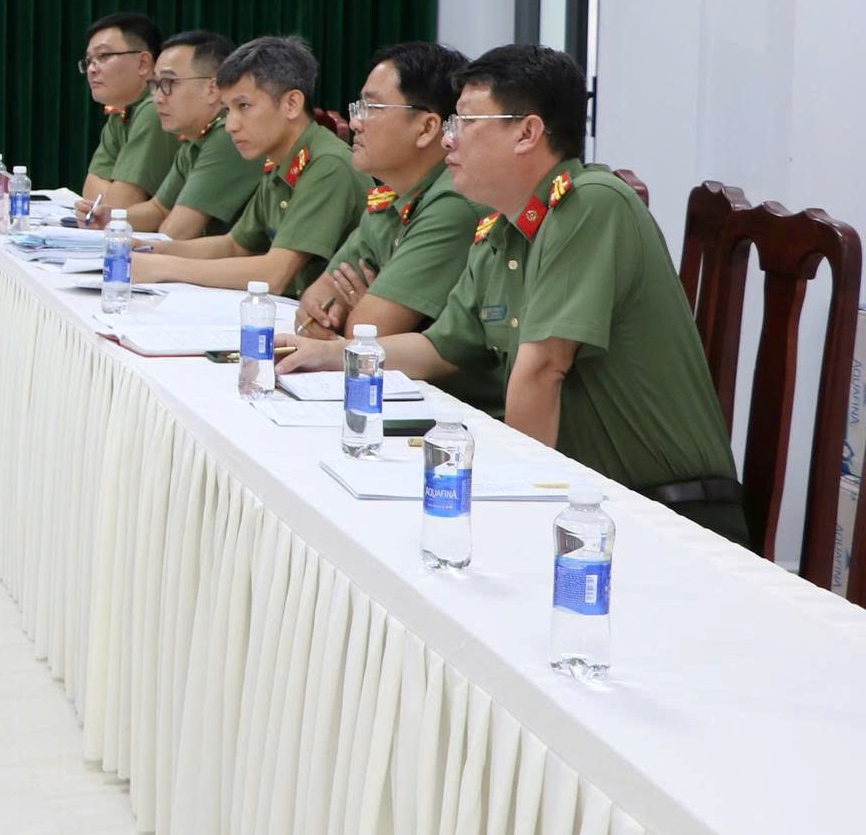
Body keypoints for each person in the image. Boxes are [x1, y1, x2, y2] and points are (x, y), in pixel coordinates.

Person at [284, 45, 748, 542]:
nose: (448, 139)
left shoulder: (591, 205)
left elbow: (544, 368)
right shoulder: (502, 229)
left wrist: (511, 511)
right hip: (588, 502)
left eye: (466, 122)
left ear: (527, 133)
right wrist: (331, 355)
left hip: (665, 517)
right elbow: (440, 347)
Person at [132, 35, 368, 297]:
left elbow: (274, 275)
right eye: (228, 110)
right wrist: (148, 249)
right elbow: (234, 245)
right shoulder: (278, 161)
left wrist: (164, 267)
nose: (231, 125)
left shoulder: (327, 165)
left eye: (243, 106)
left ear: (291, 104)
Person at [290, 42, 478, 342]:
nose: (355, 123)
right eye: (359, 108)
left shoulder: (453, 202)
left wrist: (358, 310)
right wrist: (346, 312)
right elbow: (317, 301)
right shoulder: (391, 195)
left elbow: (368, 331)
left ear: (427, 128)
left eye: (372, 108)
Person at [116, 30, 264, 239]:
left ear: (213, 89)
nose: (158, 98)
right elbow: (158, 209)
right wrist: (109, 218)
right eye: (156, 84)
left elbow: (175, 233)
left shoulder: (228, 137)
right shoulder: (196, 137)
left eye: (168, 83)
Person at [76, 12, 171, 222]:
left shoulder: (155, 110)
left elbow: (119, 207)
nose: (91, 69)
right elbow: (90, 191)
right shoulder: (121, 110)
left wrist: (108, 199)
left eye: (103, 56)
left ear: (143, 63)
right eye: (89, 61)